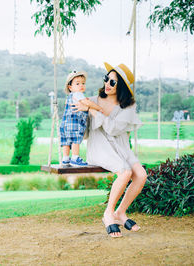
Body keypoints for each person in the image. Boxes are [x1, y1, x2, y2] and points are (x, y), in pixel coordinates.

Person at [72, 63, 147, 237]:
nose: (107, 84)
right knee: (125, 172)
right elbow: (81, 130)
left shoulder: (127, 107)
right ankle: (108, 214)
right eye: (107, 79)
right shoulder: (91, 99)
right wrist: (82, 113)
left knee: (141, 175)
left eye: (113, 82)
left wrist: (92, 110)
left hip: (120, 146)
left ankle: (120, 212)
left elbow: (113, 129)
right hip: (100, 146)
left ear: (120, 87)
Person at [59, 71, 103, 167]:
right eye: (77, 83)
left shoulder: (70, 97)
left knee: (66, 141)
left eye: (83, 83)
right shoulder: (78, 94)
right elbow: (88, 103)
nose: (81, 86)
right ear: (70, 87)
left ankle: (65, 159)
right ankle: (75, 158)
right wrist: (99, 108)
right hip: (75, 123)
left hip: (64, 124)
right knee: (75, 140)